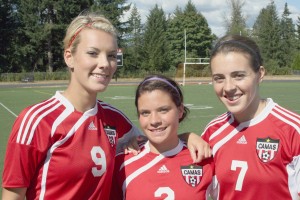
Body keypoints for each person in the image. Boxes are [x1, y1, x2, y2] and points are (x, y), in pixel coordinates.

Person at [1, 12, 210, 200]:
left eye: (111, 56)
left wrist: (188, 136)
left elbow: (156, 139)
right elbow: (13, 195)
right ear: (69, 57)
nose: (105, 63)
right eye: (93, 53)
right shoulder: (37, 120)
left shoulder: (116, 120)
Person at [201, 34, 300, 199]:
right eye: (219, 78)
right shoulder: (212, 132)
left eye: (238, 76)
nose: (228, 87)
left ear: (260, 74)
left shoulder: (292, 130)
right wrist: (187, 137)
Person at [110, 75, 215, 200]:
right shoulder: (122, 163)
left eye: (163, 110)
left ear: (180, 110)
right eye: (145, 113)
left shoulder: (204, 159)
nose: (154, 120)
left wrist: (188, 136)